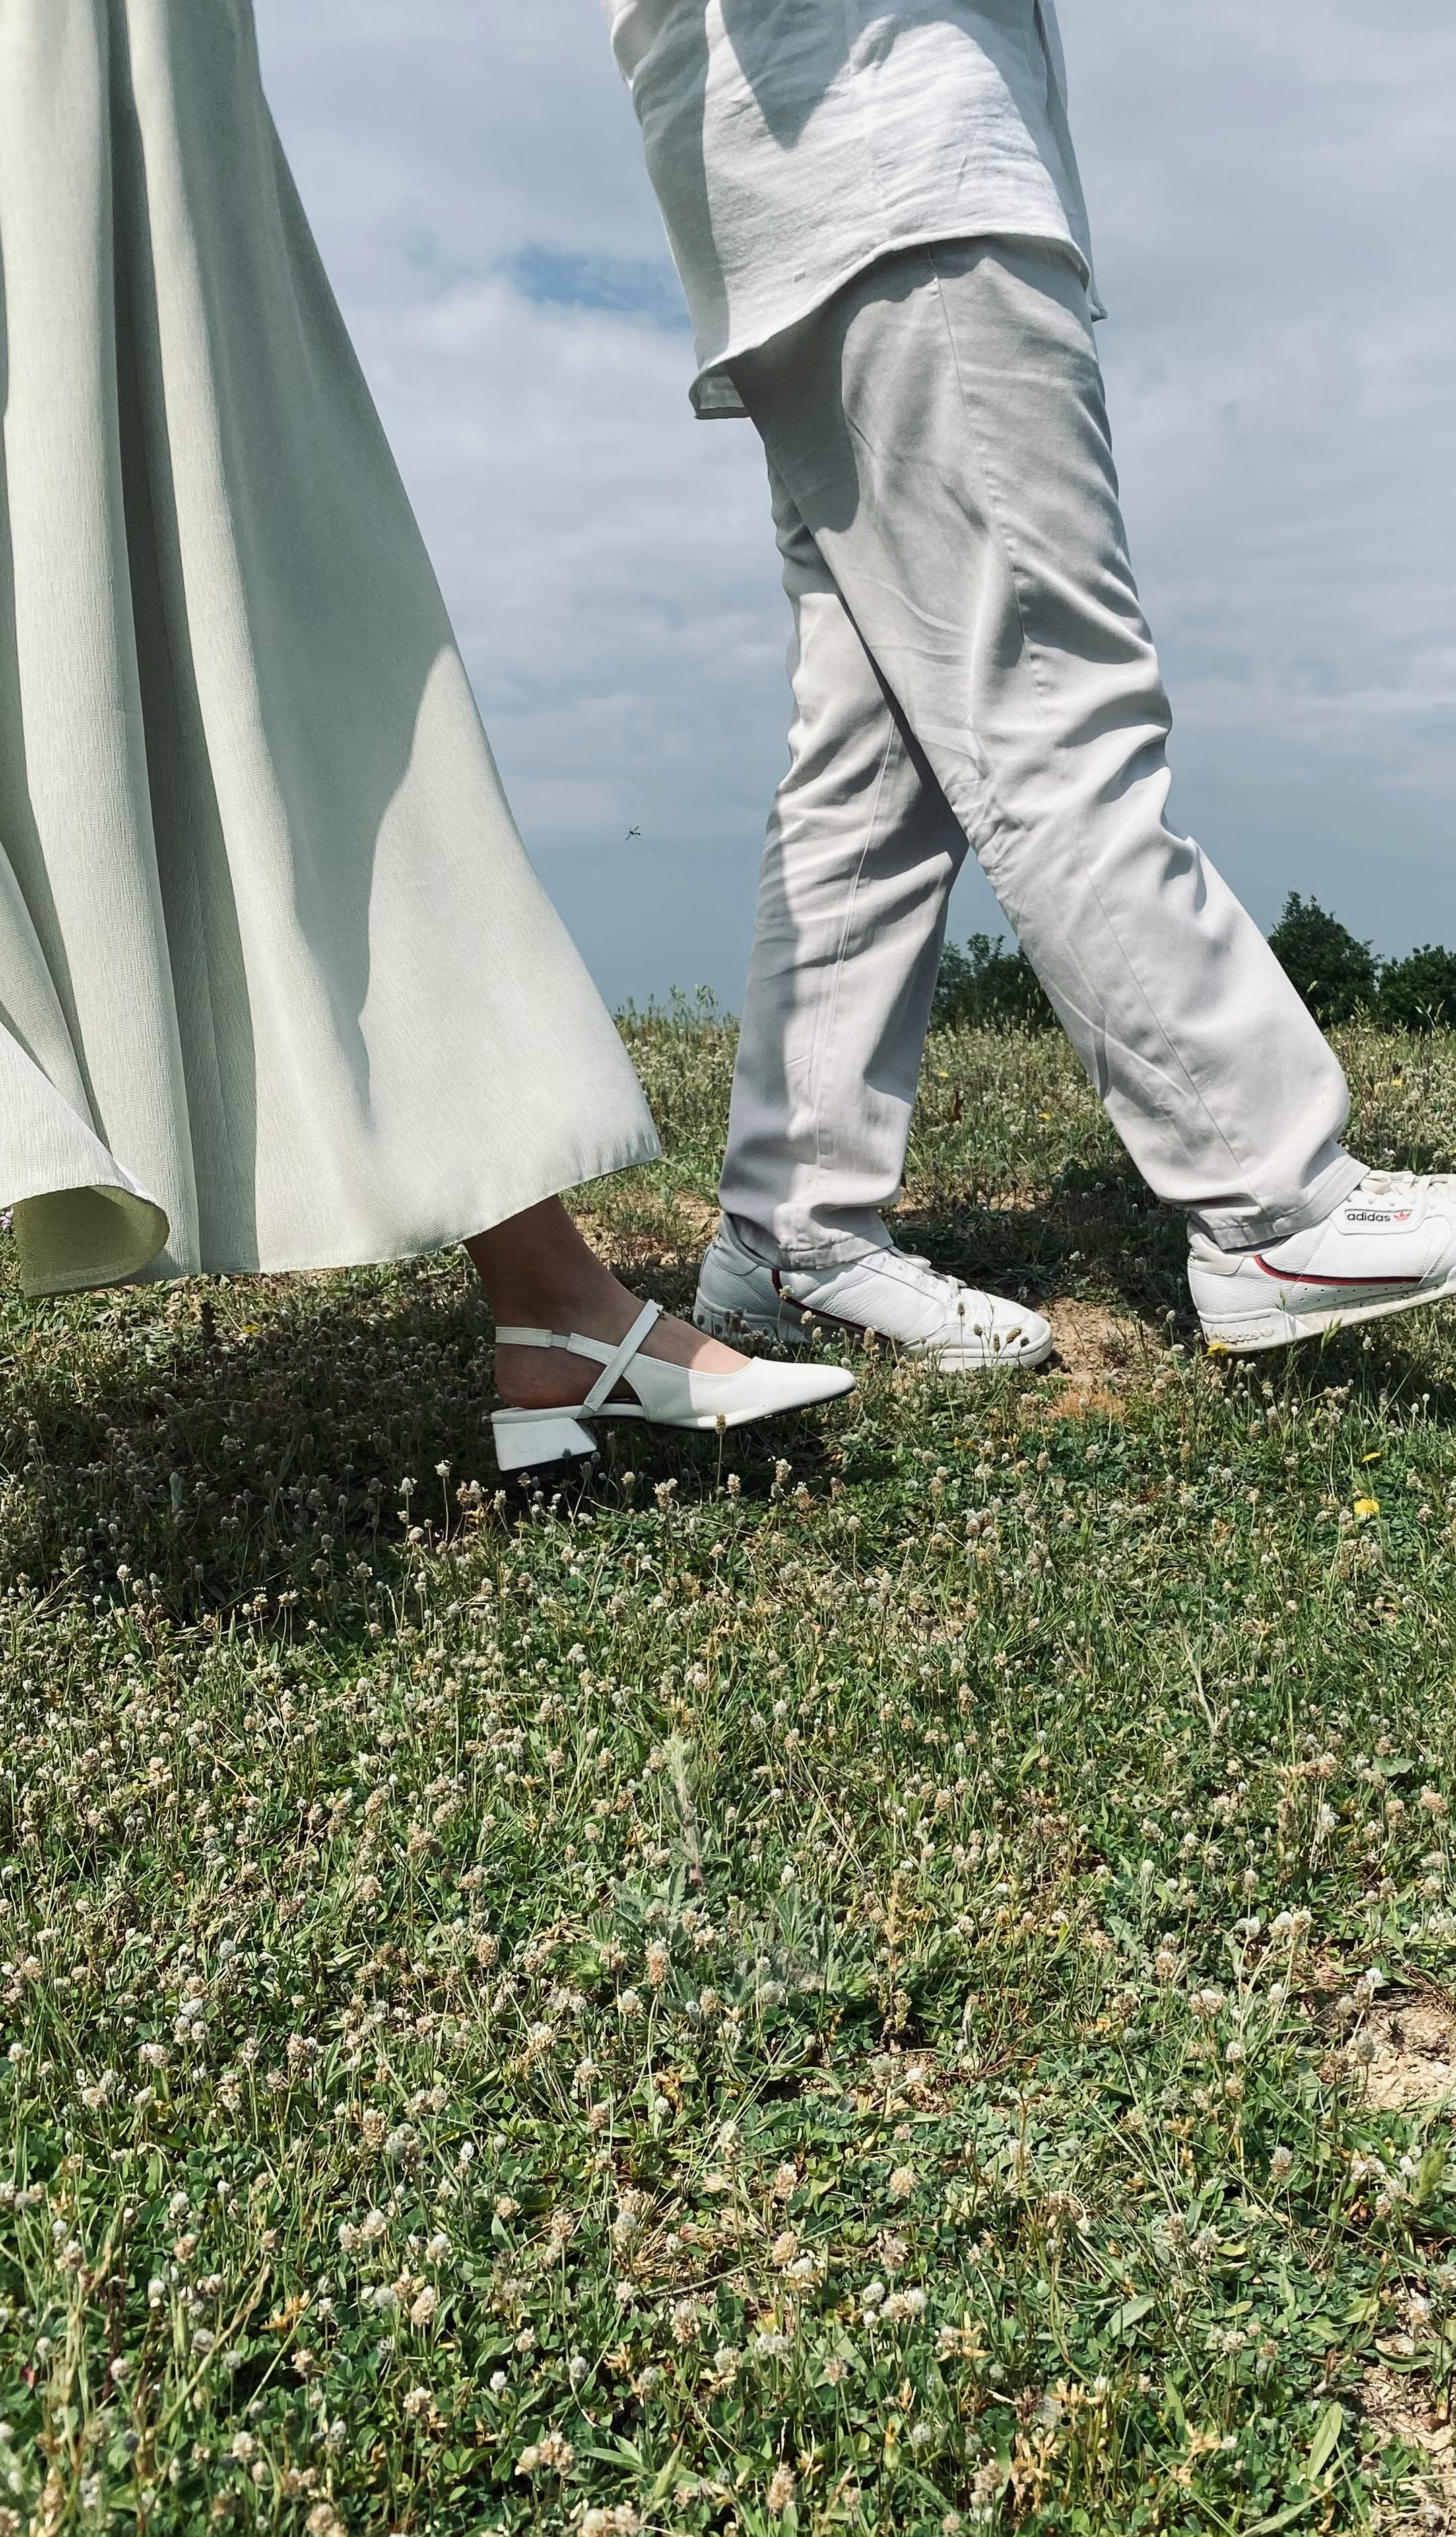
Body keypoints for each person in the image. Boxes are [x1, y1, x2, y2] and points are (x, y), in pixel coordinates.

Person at [599, 0, 1456, 1369]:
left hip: (797, 201)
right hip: (899, 151)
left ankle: (791, 1237)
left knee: (874, 770)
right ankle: (1274, 1205)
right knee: (1051, 704)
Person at [0, 0, 852, 1473]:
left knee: (277, 618)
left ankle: (555, 1302)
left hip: (138, 74)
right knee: (246, 598)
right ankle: (557, 1304)